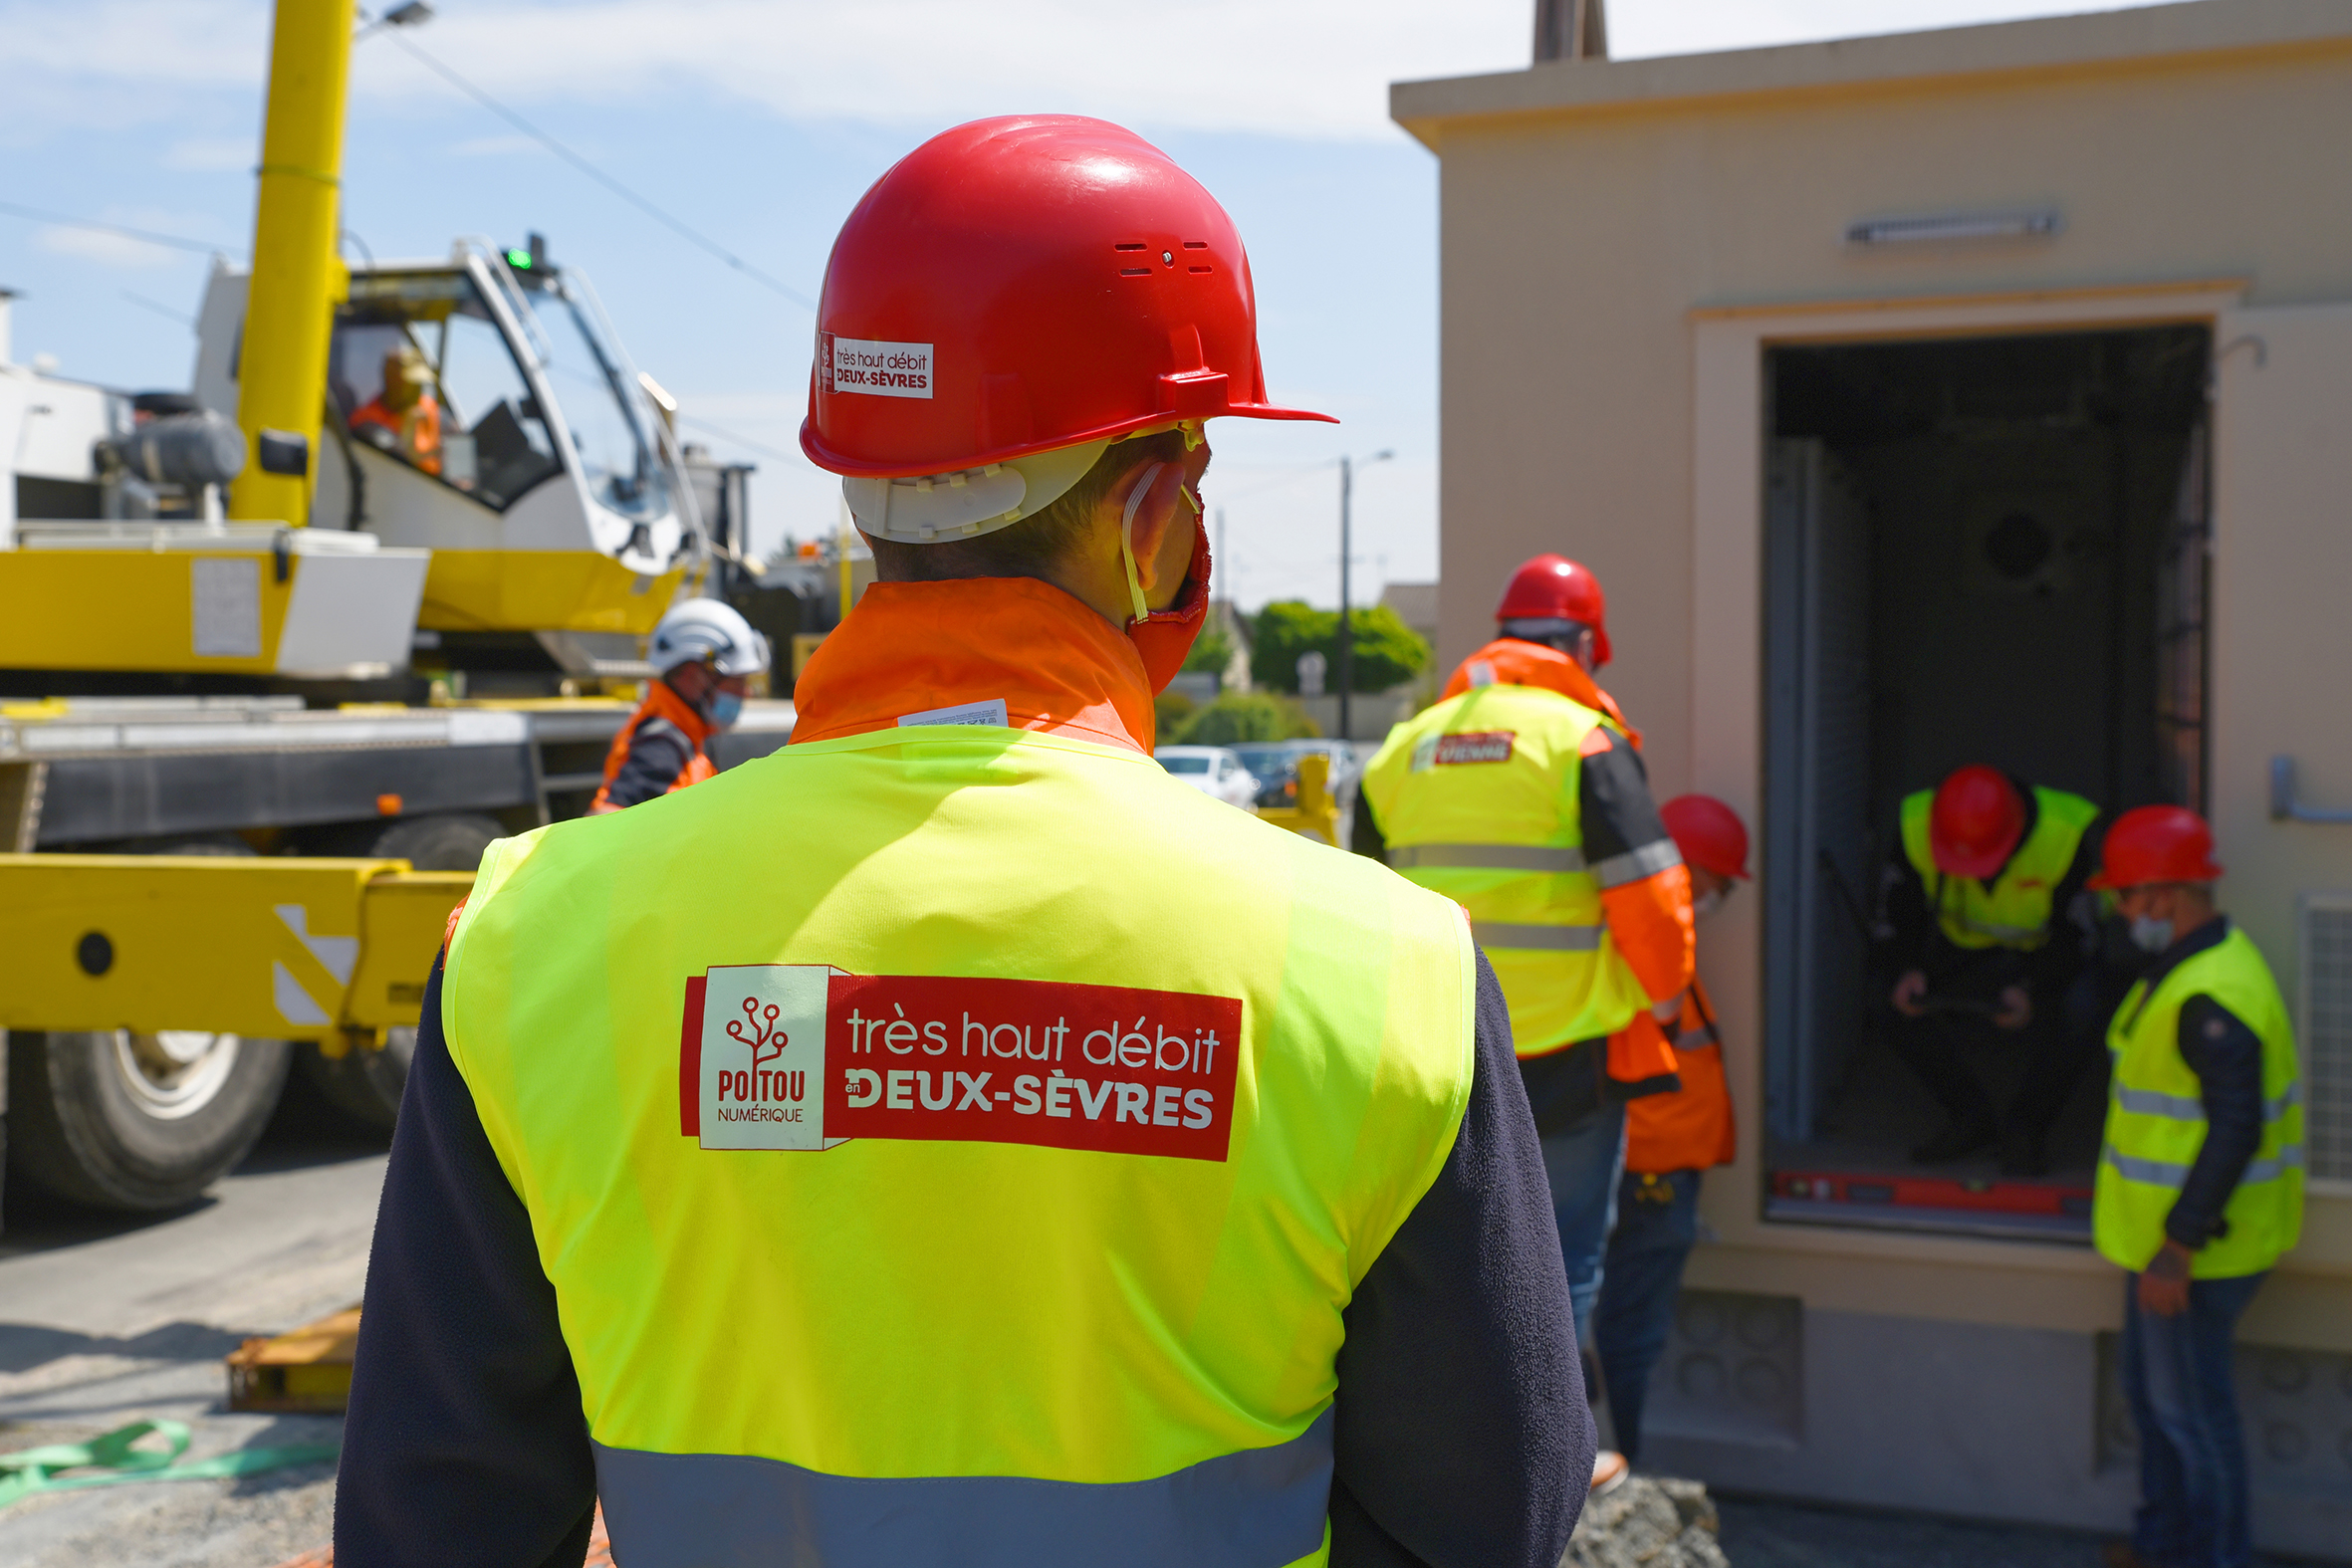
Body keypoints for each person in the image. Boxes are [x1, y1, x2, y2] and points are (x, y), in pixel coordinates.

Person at [339, 115, 1588, 1568]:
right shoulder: (1381, 971)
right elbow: (1491, 1520)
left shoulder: (528, 943)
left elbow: (433, 1523)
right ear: (1150, 518)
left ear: (863, 486)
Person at [1359, 552, 1693, 1494]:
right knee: (1567, 1253)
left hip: (1430, 1042)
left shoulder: (1404, 745)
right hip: (1565, 1055)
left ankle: (1438, 1451)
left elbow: (1365, 898)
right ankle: (1559, 1454)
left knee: (1435, 1255)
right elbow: (1656, 899)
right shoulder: (1584, 741)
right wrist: (1661, 1004)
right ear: (1584, 642)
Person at [2089, 806, 2302, 1568]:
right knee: (2156, 1404)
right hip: (2167, 1243)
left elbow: (2235, 1128)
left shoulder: (2211, 993)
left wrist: (2178, 1245)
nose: (2117, 911)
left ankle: (2209, 1558)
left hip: (2194, 1254)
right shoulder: (2194, 966)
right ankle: (2162, 1545)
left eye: (2124, 896)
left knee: (2192, 1420)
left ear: (2165, 895)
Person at [1592, 793, 1744, 1467]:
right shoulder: (1646, 954)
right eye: (1718, 883)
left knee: (1620, 1336)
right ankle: (1616, 1478)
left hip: (1653, 1174)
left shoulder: (1650, 949)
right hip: (1647, 1181)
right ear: (1686, 870)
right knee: (1626, 1339)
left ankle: (1612, 1470)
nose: (1719, 898)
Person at [1880, 763, 2106, 1174]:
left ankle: (2026, 1130)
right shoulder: (1916, 825)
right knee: (1887, 999)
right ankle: (1970, 1119)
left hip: (2042, 955)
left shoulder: (2065, 836)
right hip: (1957, 949)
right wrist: (1907, 968)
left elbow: (2080, 937)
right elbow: (1898, 911)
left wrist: (2032, 989)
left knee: (2084, 1008)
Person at [588, 597, 770, 813]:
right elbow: (607, 815)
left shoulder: (682, 737)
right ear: (693, 675)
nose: (746, 692)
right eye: (738, 681)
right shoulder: (661, 747)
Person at [350, 344, 442, 476]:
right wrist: (409, 427)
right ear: (391, 379)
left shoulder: (428, 405)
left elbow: (455, 437)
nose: (419, 391)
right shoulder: (366, 420)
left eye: (421, 384)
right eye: (413, 383)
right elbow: (400, 462)